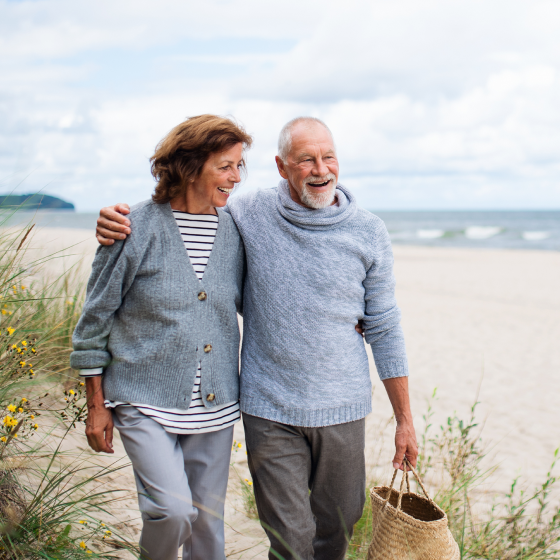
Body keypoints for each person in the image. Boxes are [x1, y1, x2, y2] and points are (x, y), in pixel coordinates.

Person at [95, 116, 418, 560]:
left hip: (341, 404)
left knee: (339, 525)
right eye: (306, 159)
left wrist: (404, 418)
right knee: (289, 539)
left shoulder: (368, 231)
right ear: (282, 167)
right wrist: (116, 219)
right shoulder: (246, 214)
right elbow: (184, 212)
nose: (321, 169)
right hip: (268, 407)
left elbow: (383, 323)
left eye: (328, 157)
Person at [71, 114, 253, 560]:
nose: (235, 178)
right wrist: (96, 406)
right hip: (142, 399)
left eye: (239, 167)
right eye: (225, 166)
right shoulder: (133, 228)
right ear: (190, 165)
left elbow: (262, 299)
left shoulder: (237, 230)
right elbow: (94, 321)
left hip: (214, 405)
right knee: (172, 512)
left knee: (208, 529)